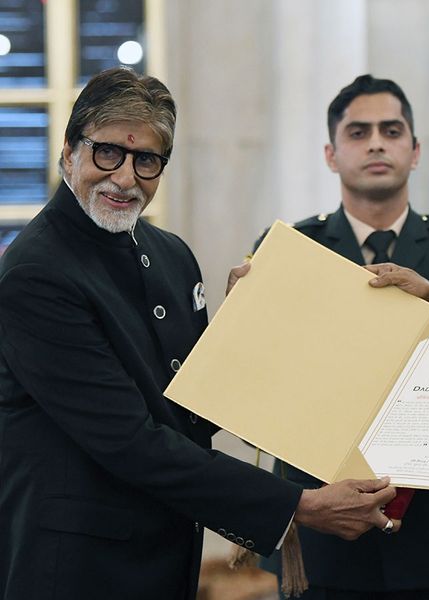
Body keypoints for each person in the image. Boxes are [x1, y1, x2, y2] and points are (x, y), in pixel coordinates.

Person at [0, 67, 397, 600]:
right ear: (69, 151)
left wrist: (250, 333)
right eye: (107, 152)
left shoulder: (170, 255)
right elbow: (130, 441)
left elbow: (194, 413)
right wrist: (295, 504)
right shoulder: (34, 273)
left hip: (165, 554)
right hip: (76, 567)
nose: (124, 177)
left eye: (146, 160)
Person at [253, 74, 429, 599]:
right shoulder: (290, 251)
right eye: (358, 132)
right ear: (331, 154)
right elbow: (259, 383)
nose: (375, 142)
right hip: (322, 536)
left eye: (391, 131)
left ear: (414, 152)